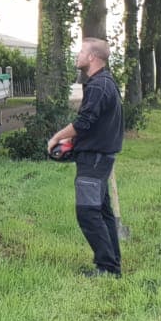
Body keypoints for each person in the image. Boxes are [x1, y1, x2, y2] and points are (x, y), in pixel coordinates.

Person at [47, 37, 124, 278]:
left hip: (95, 159)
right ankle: (112, 264)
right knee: (102, 212)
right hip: (99, 155)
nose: (77, 55)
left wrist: (57, 137)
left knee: (88, 213)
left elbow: (84, 122)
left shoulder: (99, 85)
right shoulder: (104, 82)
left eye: (81, 51)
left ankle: (107, 268)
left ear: (92, 57)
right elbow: (93, 124)